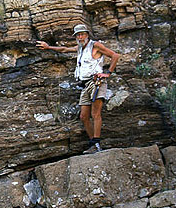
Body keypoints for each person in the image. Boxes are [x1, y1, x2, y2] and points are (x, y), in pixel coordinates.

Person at [36, 23, 120, 153]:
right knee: (83, 116)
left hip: (97, 82)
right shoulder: (80, 48)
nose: (80, 37)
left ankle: (96, 144)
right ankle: (93, 143)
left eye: (82, 34)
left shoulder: (95, 45)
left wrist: (107, 73)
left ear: (87, 34)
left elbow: (115, 56)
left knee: (95, 114)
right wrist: (48, 47)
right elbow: (64, 49)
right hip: (85, 85)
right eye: (78, 35)